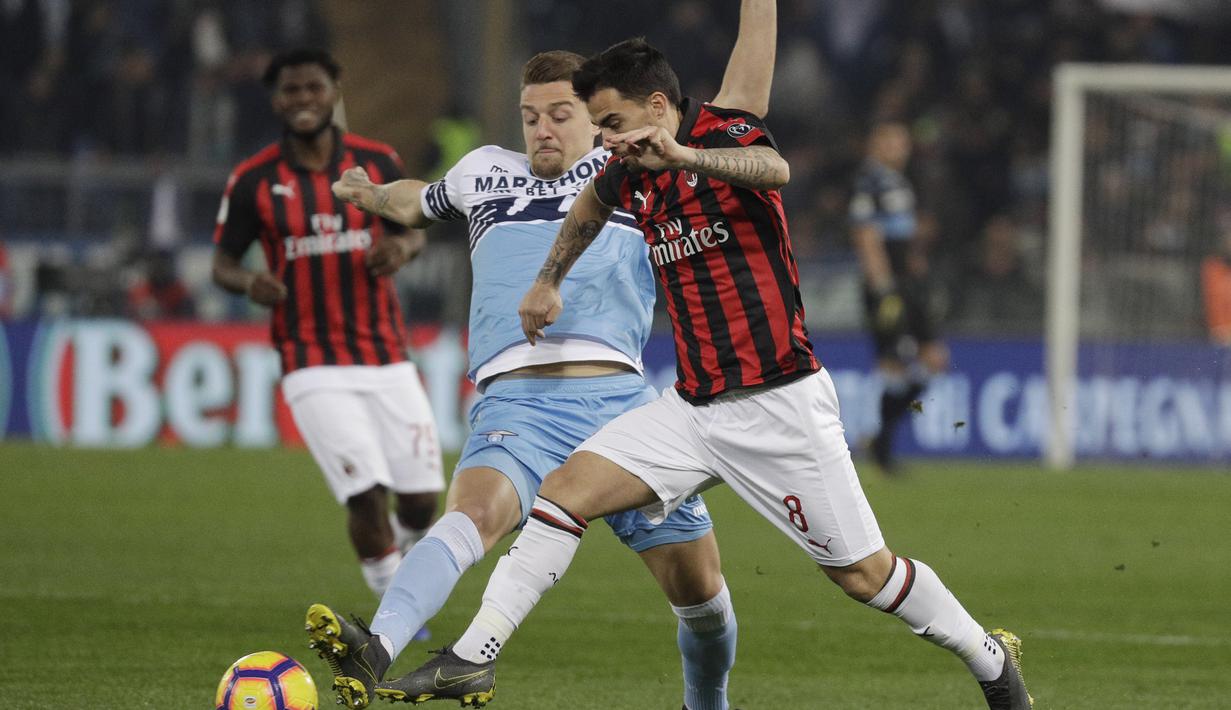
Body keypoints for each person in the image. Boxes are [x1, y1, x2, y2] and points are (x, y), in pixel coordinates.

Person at [398, 38, 1034, 710]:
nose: (604, 142)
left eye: (611, 125)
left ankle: (987, 656)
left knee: (863, 576)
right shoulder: (627, 171)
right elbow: (587, 208)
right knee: (563, 491)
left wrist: (685, 155)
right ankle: (472, 658)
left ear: (656, 107)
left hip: (778, 404)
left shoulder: (720, 137)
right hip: (693, 408)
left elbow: (773, 168)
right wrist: (547, 282)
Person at [304, 5, 777, 709]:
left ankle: (706, 705)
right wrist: (368, 194)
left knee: (700, 595)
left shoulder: (629, 165)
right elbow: (417, 200)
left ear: (596, 117)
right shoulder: (483, 172)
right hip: (515, 403)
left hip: (620, 408)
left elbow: (738, 107)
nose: (542, 129)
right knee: (470, 516)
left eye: (560, 113)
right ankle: (376, 647)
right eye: (530, 116)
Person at [211, 48, 444, 609]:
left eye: (313, 88)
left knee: (420, 500)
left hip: (386, 353)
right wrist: (249, 283)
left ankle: (408, 582)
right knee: (365, 494)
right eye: (291, 91)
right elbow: (222, 262)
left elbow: (416, 228)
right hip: (309, 359)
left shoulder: (377, 161)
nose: (303, 101)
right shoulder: (253, 179)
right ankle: (398, 611)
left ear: (335, 89)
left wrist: (403, 246)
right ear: (276, 101)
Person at [849, 120, 949, 474]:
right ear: (875, 144)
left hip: (908, 286)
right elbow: (866, 237)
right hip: (888, 289)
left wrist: (917, 271)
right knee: (895, 363)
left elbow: (904, 239)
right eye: (889, 139)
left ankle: (881, 439)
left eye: (902, 140)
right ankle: (882, 448)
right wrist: (884, 289)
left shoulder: (900, 183)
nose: (898, 146)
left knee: (934, 359)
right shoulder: (870, 181)